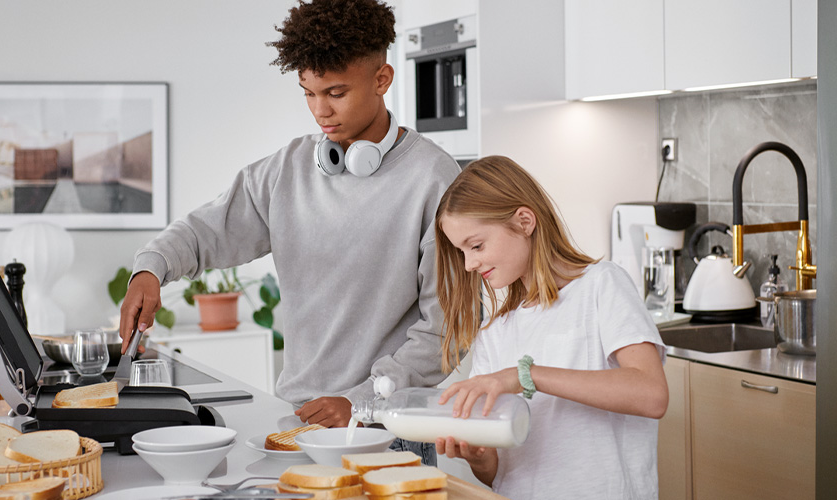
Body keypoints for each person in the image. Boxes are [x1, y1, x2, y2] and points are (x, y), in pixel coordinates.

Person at [118, 0, 460, 464]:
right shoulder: (289, 168)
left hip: (386, 427)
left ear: (382, 79)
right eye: (309, 93)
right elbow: (207, 229)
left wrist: (361, 400)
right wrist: (151, 269)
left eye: (336, 92)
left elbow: (447, 328)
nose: (321, 111)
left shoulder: (435, 178)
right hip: (299, 417)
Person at [431, 156, 669, 499]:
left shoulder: (601, 287)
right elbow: (502, 471)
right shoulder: (494, 333)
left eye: (477, 246)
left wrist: (525, 375)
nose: (469, 264)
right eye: (461, 252)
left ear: (524, 221)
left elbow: (652, 394)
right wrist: (479, 459)